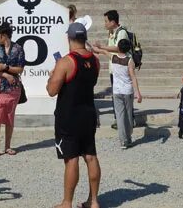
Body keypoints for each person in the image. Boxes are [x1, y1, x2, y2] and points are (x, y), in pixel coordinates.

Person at [47, 22, 101, 208]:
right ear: (84, 38)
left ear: (69, 38)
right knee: (91, 156)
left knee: (71, 159)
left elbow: (52, 90)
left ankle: (66, 202)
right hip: (88, 113)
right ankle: (93, 201)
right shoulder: (95, 60)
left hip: (68, 116)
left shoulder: (66, 62)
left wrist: (52, 75)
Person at [0, 22, 25, 157]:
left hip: (13, 88)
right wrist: (6, 74)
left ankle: (8, 145)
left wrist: (5, 67)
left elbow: (20, 68)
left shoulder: (18, 49)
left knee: (9, 116)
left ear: (4, 36)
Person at [108, 38, 143, 148]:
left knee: (119, 116)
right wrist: (138, 93)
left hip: (116, 91)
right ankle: (127, 137)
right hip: (127, 91)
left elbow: (103, 51)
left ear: (117, 47)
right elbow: (133, 77)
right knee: (128, 115)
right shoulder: (129, 60)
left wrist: (97, 47)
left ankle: (123, 140)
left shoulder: (113, 57)